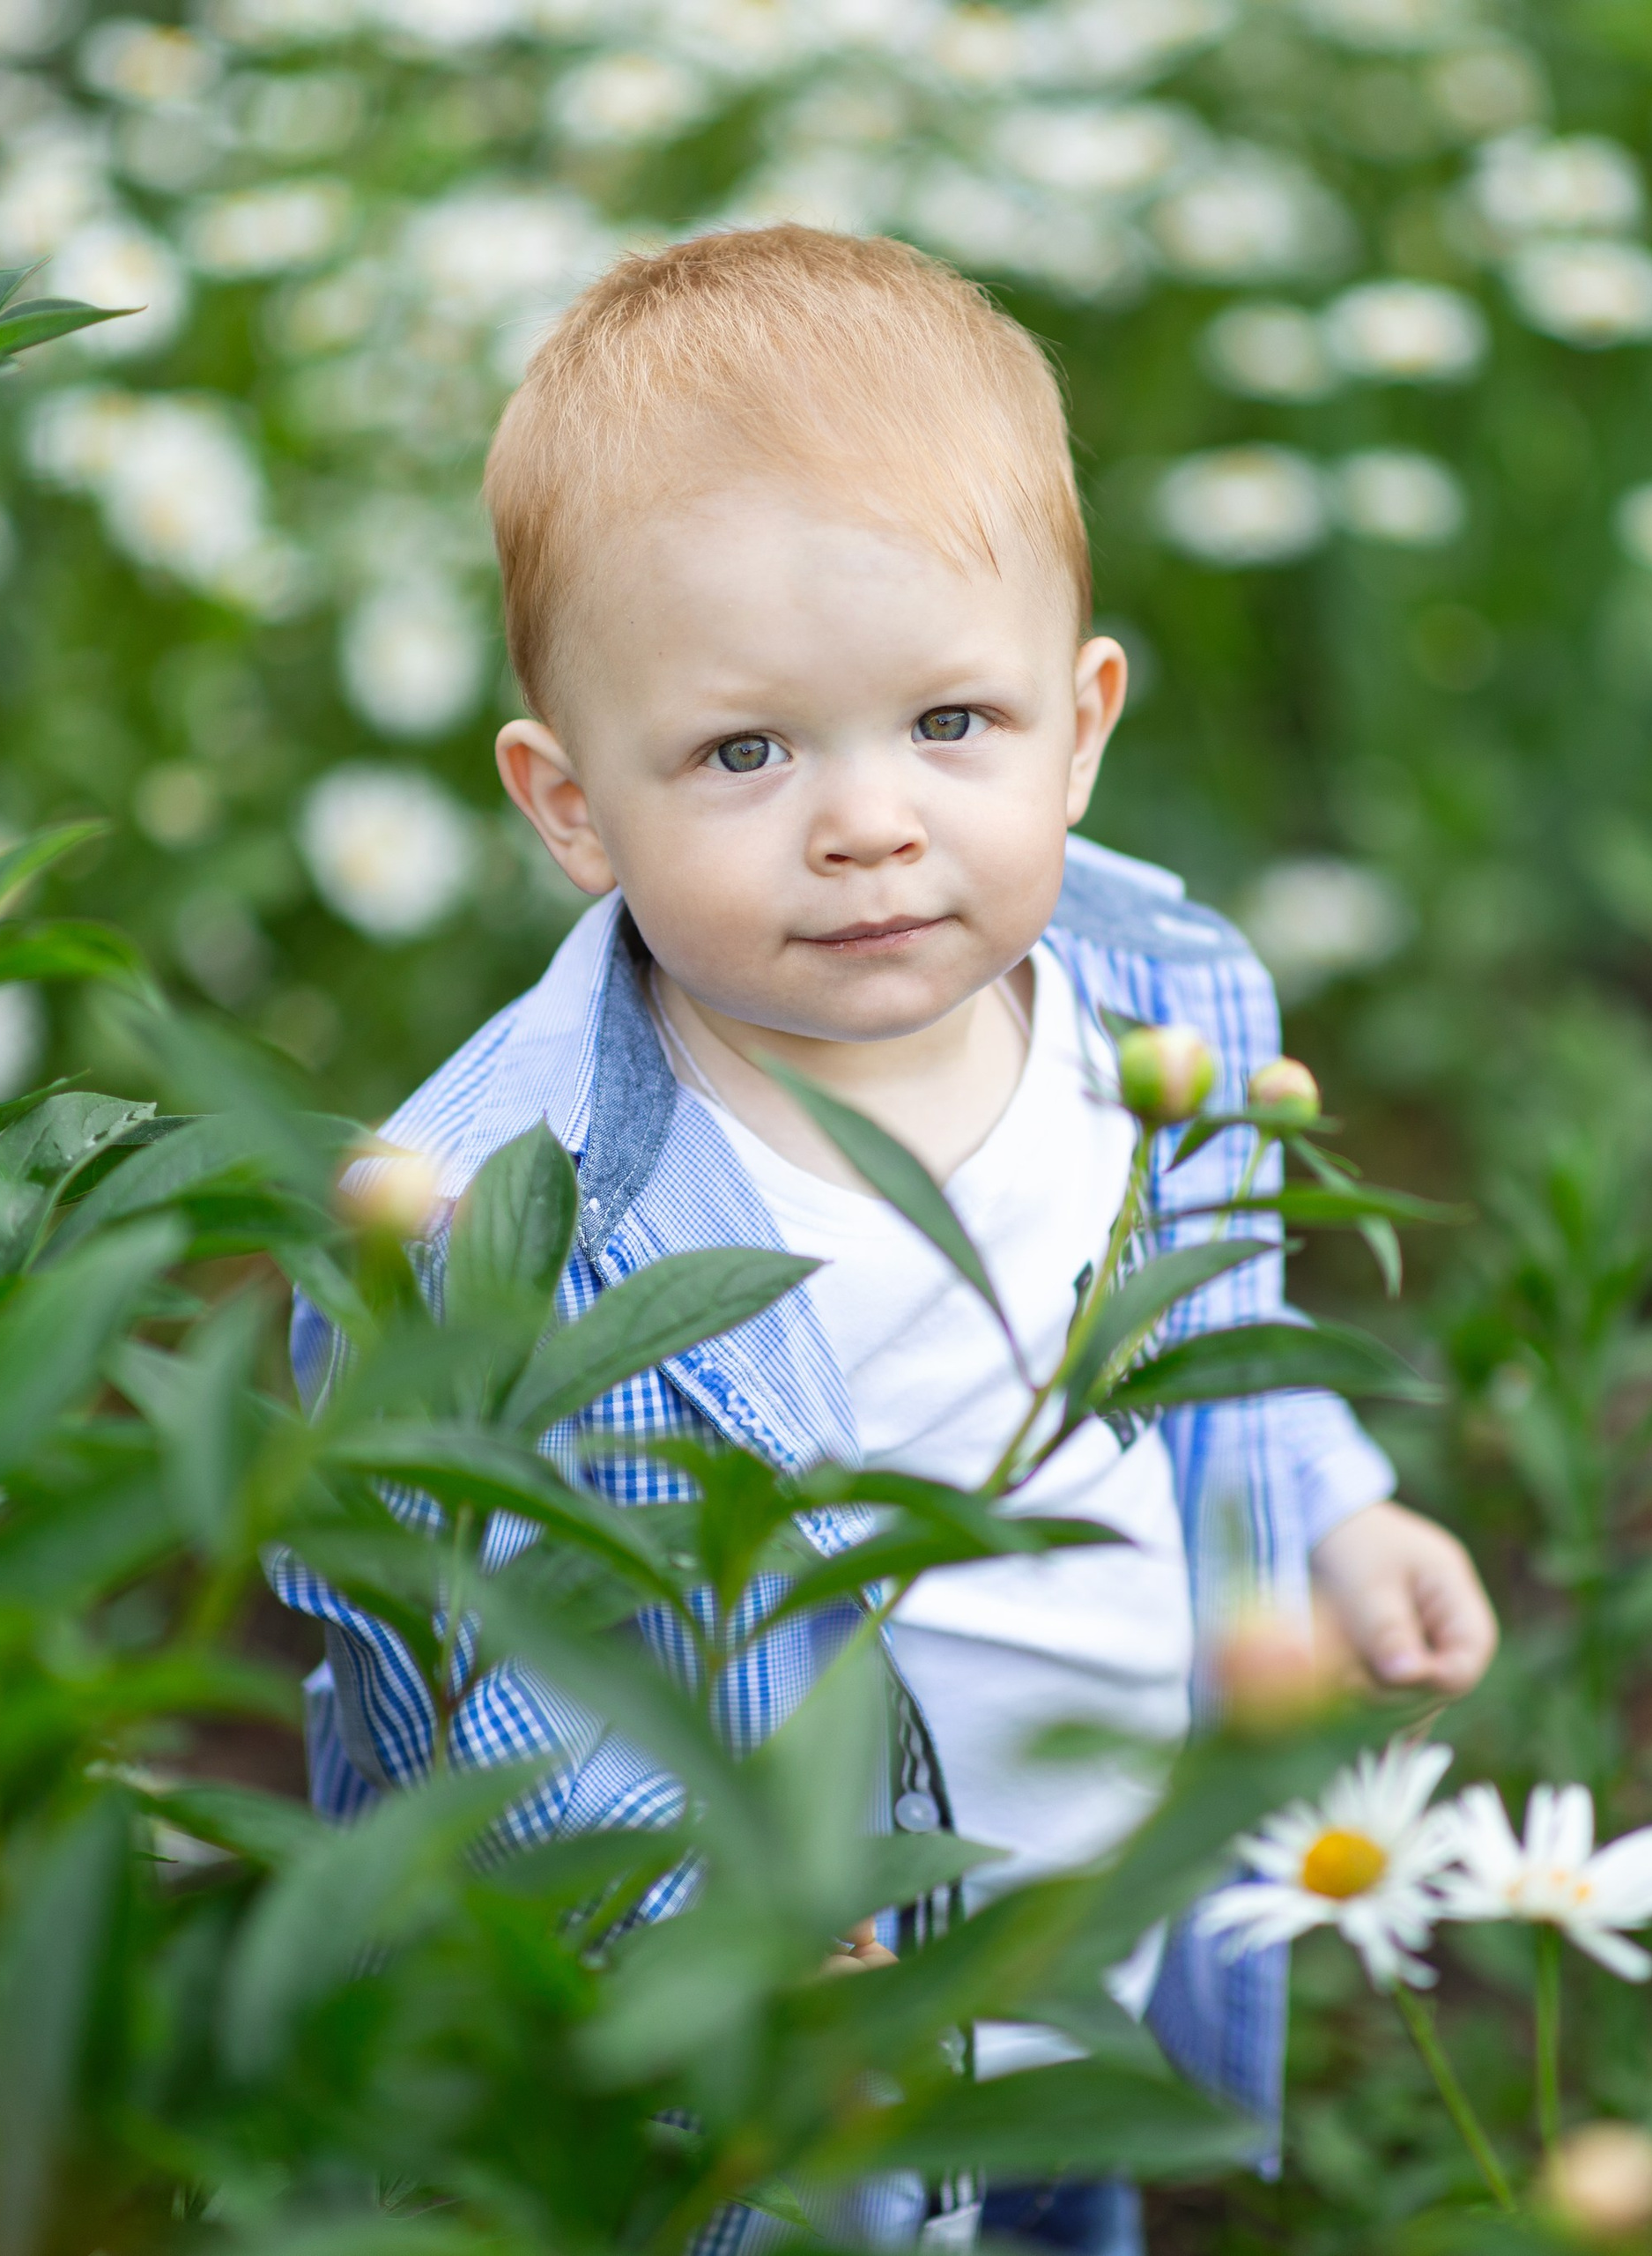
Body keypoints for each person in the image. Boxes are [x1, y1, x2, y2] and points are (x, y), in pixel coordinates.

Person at [271, 225, 1496, 2254]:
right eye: (747, 751)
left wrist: (1333, 1515)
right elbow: (470, 1656)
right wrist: (677, 1930)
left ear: (1079, 720)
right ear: (570, 804)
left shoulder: (1165, 1011)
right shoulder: (505, 1210)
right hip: (765, 2056)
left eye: (948, 721)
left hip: (1086, 1932)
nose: (867, 821)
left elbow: (1219, 1351)